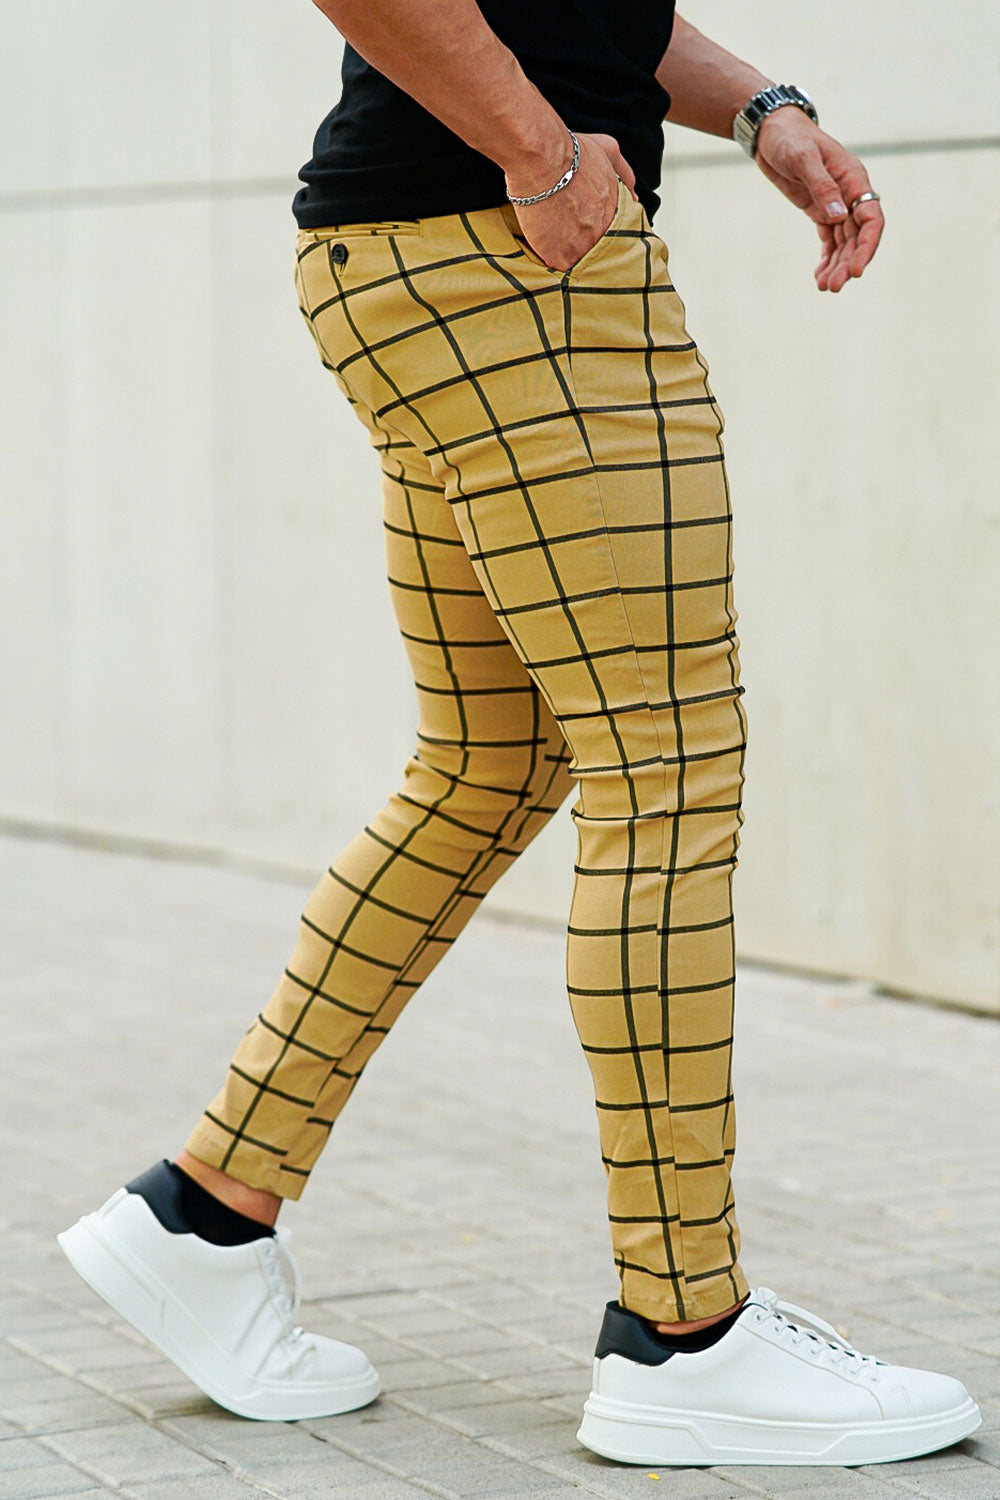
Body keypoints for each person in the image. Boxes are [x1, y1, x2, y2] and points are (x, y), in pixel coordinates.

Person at [58, 0, 982, 1469]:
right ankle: (684, 1332)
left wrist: (761, 109)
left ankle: (207, 1212)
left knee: (492, 764)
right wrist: (543, 155)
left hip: (411, 261)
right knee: (664, 772)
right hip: (514, 261)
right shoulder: (529, 186)